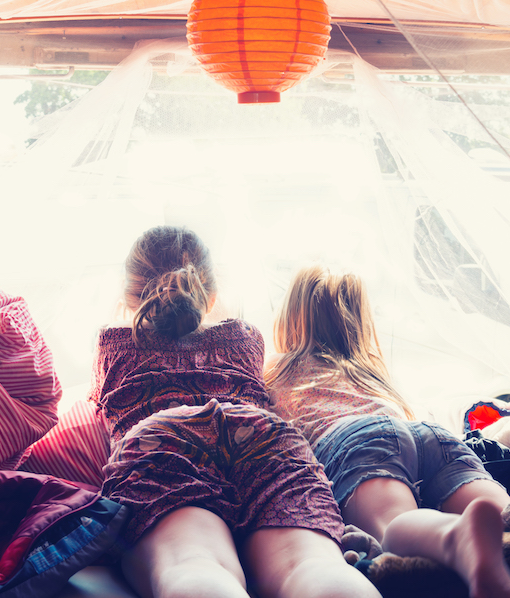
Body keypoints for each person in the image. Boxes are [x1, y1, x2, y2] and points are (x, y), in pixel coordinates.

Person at [89, 227, 381, 598]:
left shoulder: (112, 346)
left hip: (162, 439)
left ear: (129, 295)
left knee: (194, 564)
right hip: (261, 434)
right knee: (311, 566)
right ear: (211, 294)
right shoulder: (246, 336)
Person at [264, 265, 510, 598]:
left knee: (394, 526)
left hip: (356, 442)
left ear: (291, 318)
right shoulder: (372, 372)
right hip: (429, 436)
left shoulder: (278, 367)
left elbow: (259, 429)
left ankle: (458, 537)